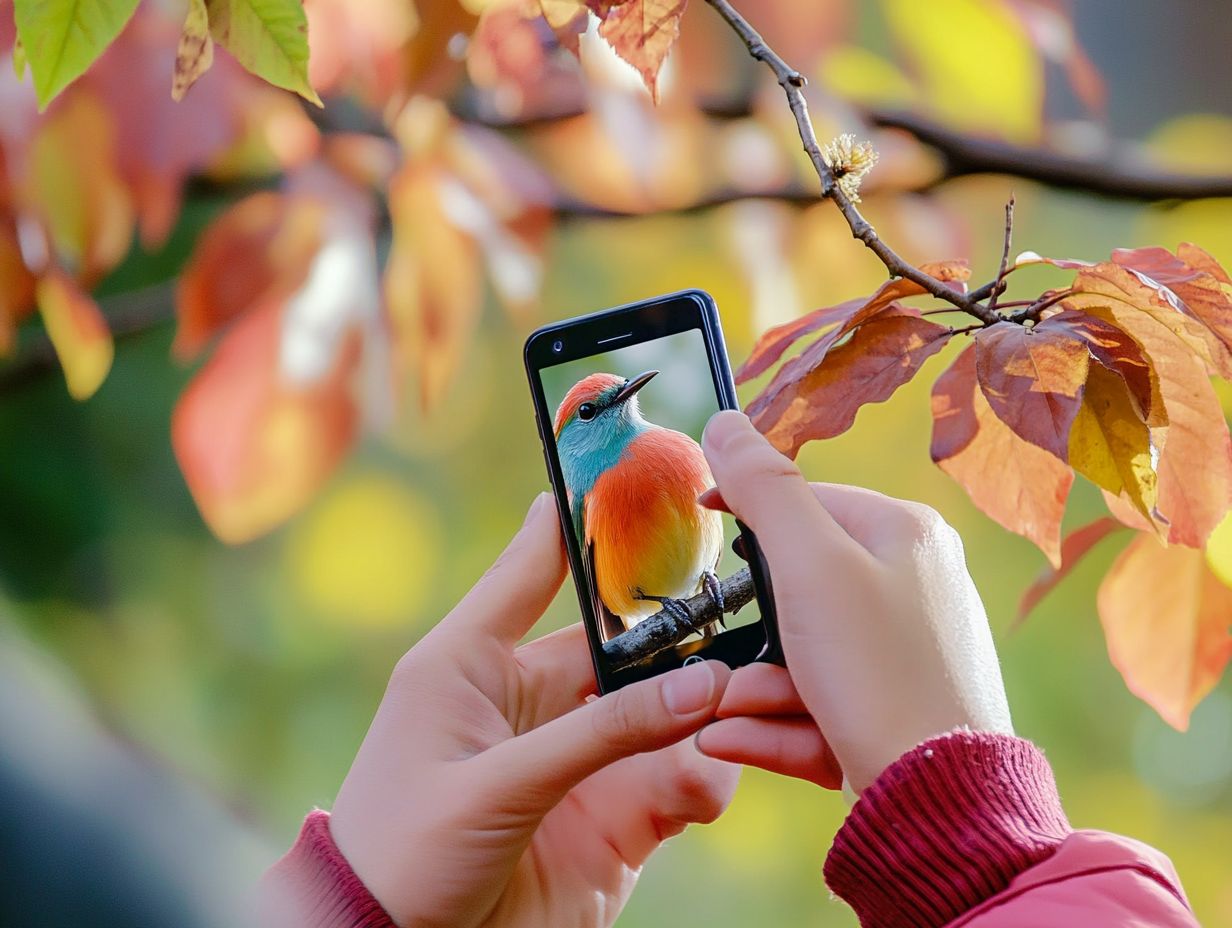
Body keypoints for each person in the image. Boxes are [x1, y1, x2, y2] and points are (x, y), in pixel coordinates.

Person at [261, 411, 1200, 928]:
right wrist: (973, 849)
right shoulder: (596, 495)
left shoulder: (668, 455)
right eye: (590, 409)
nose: (617, 406)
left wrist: (354, 909)